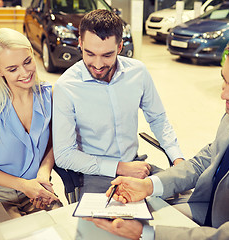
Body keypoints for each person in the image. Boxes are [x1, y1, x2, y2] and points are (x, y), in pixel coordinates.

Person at [86, 29, 229, 239]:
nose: (224, 94)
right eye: (224, 80)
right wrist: (150, 185)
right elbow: (209, 158)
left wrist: (146, 234)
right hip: (207, 211)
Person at [52, 9, 184, 195]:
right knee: (108, 222)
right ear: (80, 43)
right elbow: (64, 155)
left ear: (120, 47)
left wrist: (177, 158)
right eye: (89, 54)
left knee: (187, 200)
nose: (97, 65)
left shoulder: (138, 72)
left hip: (136, 167)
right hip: (96, 174)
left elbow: (158, 119)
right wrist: (119, 168)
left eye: (107, 55)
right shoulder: (66, 87)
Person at [0, 28, 62, 225]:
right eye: (13, 69)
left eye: (27, 62)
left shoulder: (49, 95)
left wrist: (43, 174)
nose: (25, 73)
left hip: (37, 189)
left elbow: (55, 143)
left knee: (61, 228)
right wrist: (23, 185)